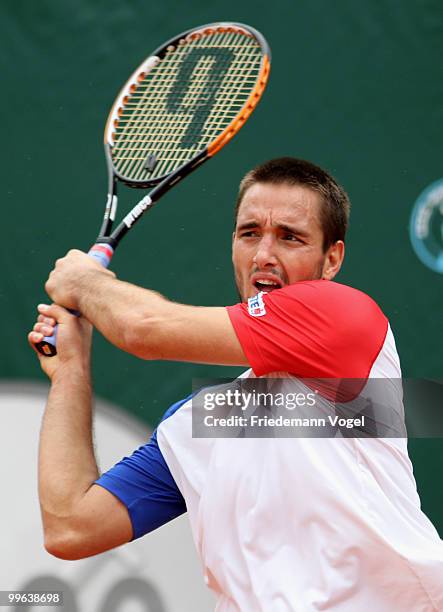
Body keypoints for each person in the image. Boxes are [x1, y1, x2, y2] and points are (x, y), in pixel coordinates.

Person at [29, 158, 443, 611]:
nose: (264, 253)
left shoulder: (348, 318)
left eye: (290, 237)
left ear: (332, 260)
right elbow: (71, 526)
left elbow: (143, 329)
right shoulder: (204, 421)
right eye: (250, 233)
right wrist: (70, 370)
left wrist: (84, 282)